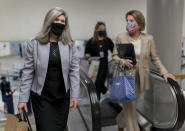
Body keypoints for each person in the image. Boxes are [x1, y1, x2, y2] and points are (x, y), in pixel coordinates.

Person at [17, 7, 80, 131]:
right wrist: (23, 98)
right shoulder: (34, 43)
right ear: (49, 21)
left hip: (62, 97)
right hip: (42, 98)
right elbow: (28, 72)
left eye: (63, 21)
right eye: (57, 19)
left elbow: (74, 70)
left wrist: (75, 95)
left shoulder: (70, 44)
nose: (60, 23)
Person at [112, 10, 175, 131]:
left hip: (141, 79)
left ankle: (119, 122)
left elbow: (155, 58)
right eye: (127, 21)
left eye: (131, 21)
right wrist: (122, 61)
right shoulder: (121, 37)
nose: (128, 23)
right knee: (130, 111)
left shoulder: (148, 38)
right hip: (125, 77)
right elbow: (114, 56)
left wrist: (165, 72)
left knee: (130, 108)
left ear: (139, 24)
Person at [85, 21, 114, 99]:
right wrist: (88, 58)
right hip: (94, 64)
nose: (102, 31)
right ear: (96, 30)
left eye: (104, 29)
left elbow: (114, 51)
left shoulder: (108, 40)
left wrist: (116, 60)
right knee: (95, 84)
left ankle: (97, 101)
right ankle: (103, 91)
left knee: (98, 82)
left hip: (104, 64)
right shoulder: (91, 41)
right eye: (100, 29)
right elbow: (87, 53)